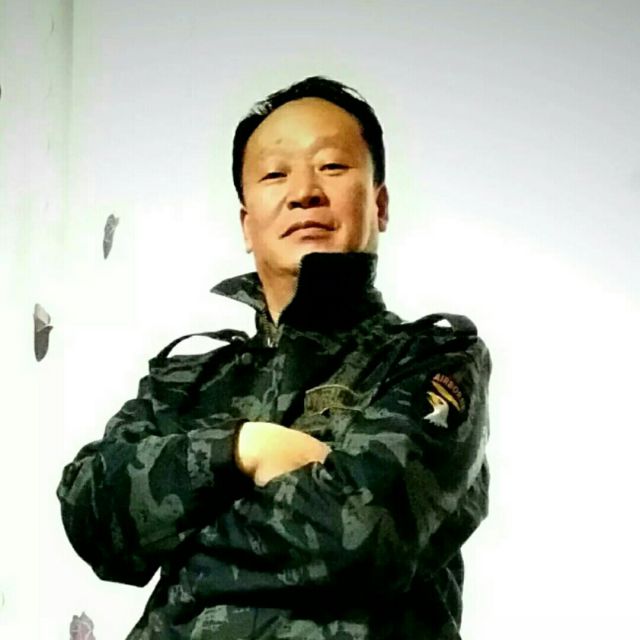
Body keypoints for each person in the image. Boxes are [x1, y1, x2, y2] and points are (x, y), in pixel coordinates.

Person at [57, 76, 491, 639]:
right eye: (274, 174)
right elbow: (91, 513)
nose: (304, 191)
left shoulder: (431, 359)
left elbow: (361, 533)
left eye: (332, 166)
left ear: (379, 204)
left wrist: (182, 543)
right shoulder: (188, 379)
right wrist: (242, 450)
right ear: (247, 223)